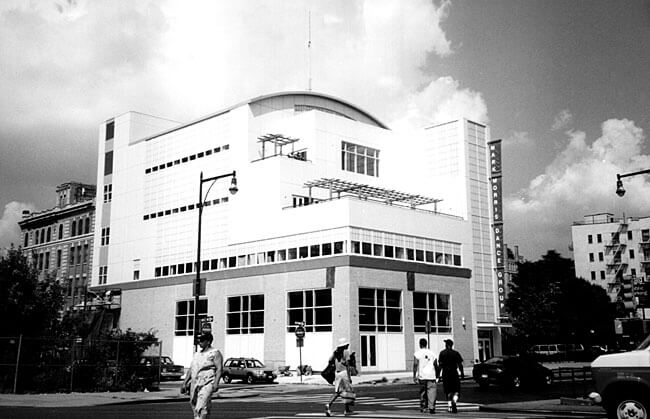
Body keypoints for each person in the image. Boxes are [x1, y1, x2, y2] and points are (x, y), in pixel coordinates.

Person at [181, 332, 223, 419]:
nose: (199, 342)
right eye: (199, 340)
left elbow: (219, 369)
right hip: (195, 383)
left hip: (207, 382)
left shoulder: (215, 353)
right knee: (194, 404)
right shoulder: (197, 354)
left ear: (208, 341)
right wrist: (185, 382)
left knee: (201, 405)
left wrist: (216, 383)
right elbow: (191, 369)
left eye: (202, 340)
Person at [325, 337, 355, 417]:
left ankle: (329, 404)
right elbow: (348, 365)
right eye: (347, 344)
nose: (348, 345)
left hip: (337, 374)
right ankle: (347, 410)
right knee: (347, 392)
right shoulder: (346, 352)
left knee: (337, 392)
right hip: (344, 373)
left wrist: (336, 364)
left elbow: (330, 360)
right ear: (345, 345)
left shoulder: (335, 352)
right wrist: (349, 377)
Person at [413, 338, 439, 414]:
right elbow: (436, 365)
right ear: (426, 344)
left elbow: (415, 364)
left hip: (422, 375)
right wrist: (437, 375)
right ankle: (432, 407)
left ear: (420, 344)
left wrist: (414, 375)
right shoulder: (432, 353)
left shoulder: (417, 353)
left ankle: (424, 407)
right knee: (432, 392)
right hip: (431, 375)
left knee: (423, 392)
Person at [438, 339, 464, 413]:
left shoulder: (442, 353)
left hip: (446, 373)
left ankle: (449, 405)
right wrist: (462, 374)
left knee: (448, 391)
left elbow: (440, 365)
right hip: (454, 373)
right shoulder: (456, 353)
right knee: (456, 390)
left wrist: (438, 375)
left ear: (446, 345)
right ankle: (454, 400)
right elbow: (460, 365)